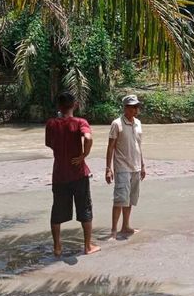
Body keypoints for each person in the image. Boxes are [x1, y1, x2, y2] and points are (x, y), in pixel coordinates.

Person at [45, 92, 100, 256]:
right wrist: (84, 154)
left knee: (57, 210)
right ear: (75, 105)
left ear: (58, 106)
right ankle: (87, 246)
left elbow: (49, 143)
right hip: (78, 173)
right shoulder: (80, 122)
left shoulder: (51, 123)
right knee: (85, 208)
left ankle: (57, 247)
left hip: (60, 174)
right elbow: (88, 137)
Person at [106, 94, 146, 240]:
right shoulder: (117, 124)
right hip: (122, 166)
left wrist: (142, 165)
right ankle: (113, 231)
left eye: (137, 107)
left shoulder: (138, 123)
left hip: (135, 167)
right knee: (119, 200)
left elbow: (139, 146)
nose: (136, 110)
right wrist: (108, 168)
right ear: (126, 108)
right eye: (133, 107)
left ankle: (126, 226)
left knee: (129, 199)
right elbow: (110, 147)